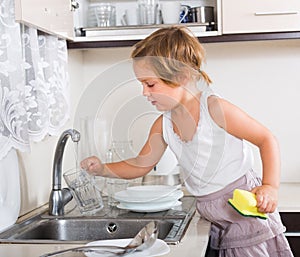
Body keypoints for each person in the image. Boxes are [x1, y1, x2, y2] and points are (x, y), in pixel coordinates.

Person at [80, 26, 293, 256]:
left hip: (243, 210)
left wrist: (270, 187)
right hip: (212, 214)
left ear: (181, 76)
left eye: (150, 84)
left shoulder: (214, 109)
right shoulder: (163, 124)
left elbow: (266, 139)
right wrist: (102, 168)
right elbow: (141, 164)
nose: (144, 92)